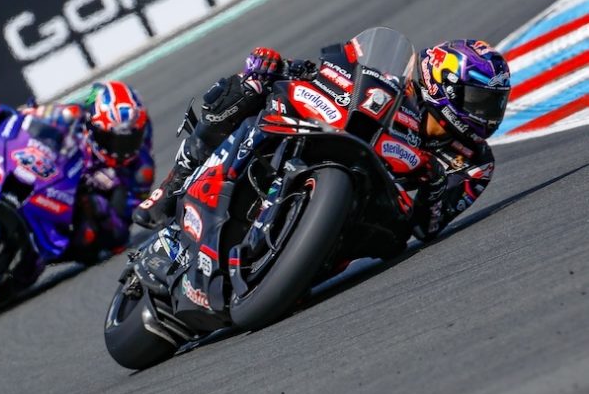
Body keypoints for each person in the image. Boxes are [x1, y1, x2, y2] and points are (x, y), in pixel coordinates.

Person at [133, 39, 510, 248]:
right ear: (443, 85)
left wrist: (435, 182)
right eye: (479, 101)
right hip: (334, 137)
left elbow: (428, 228)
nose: (487, 115)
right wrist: (282, 68)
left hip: (374, 218)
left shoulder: (476, 162)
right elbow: (338, 66)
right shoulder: (396, 84)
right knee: (250, 86)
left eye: (495, 104)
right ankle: (173, 185)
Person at [0, 81, 154, 287]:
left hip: (75, 224)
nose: (120, 148)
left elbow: (121, 235)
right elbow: (22, 116)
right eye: (112, 138)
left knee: (64, 251)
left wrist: (97, 206)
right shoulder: (73, 116)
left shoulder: (139, 170)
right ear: (94, 126)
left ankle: (11, 275)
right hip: (42, 184)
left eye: (131, 139)